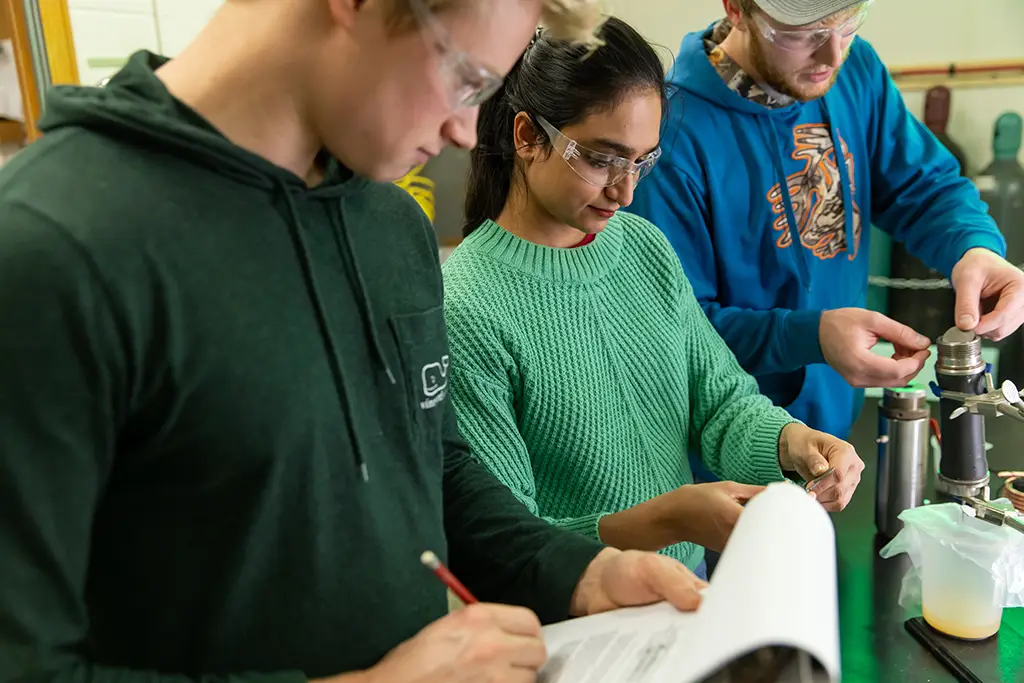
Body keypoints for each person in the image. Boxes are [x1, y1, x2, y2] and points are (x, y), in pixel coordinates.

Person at [0, 2, 712, 683]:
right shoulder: (52, 248)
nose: (469, 131)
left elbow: (434, 469)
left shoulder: (389, 225)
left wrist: (577, 571)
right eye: (466, 80)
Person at [441, 17, 864, 581]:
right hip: (573, 617)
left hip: (684, 592)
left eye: (642, 160)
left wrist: (792, 443)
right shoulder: (470, 306)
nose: (626, 190)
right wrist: (667, 519)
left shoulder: (642, 247)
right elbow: (509, 540)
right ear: (526, 137)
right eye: (601, 159)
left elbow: (720, 405)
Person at [629, 0, 1024, 446]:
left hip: (835, 433)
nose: (832, 56)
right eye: (803, 34)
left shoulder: (857, 71)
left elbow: (924, 187)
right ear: (737, 9)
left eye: (847, 24)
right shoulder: (671, 135)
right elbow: (673, 326)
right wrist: (809, 337)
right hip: (725, 452)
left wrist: (974, 248)